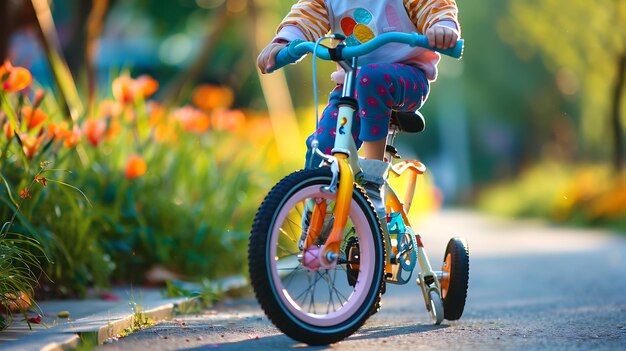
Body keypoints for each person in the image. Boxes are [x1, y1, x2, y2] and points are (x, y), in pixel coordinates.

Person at [257, 0, 460, 224]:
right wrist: (284, 42)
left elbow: (432, 6)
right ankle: (316, 221)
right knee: (320, 146)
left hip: (407, 77)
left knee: (369, 78)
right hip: (351, 85)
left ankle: (373, 180)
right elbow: (307, 15)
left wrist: (442, 27)